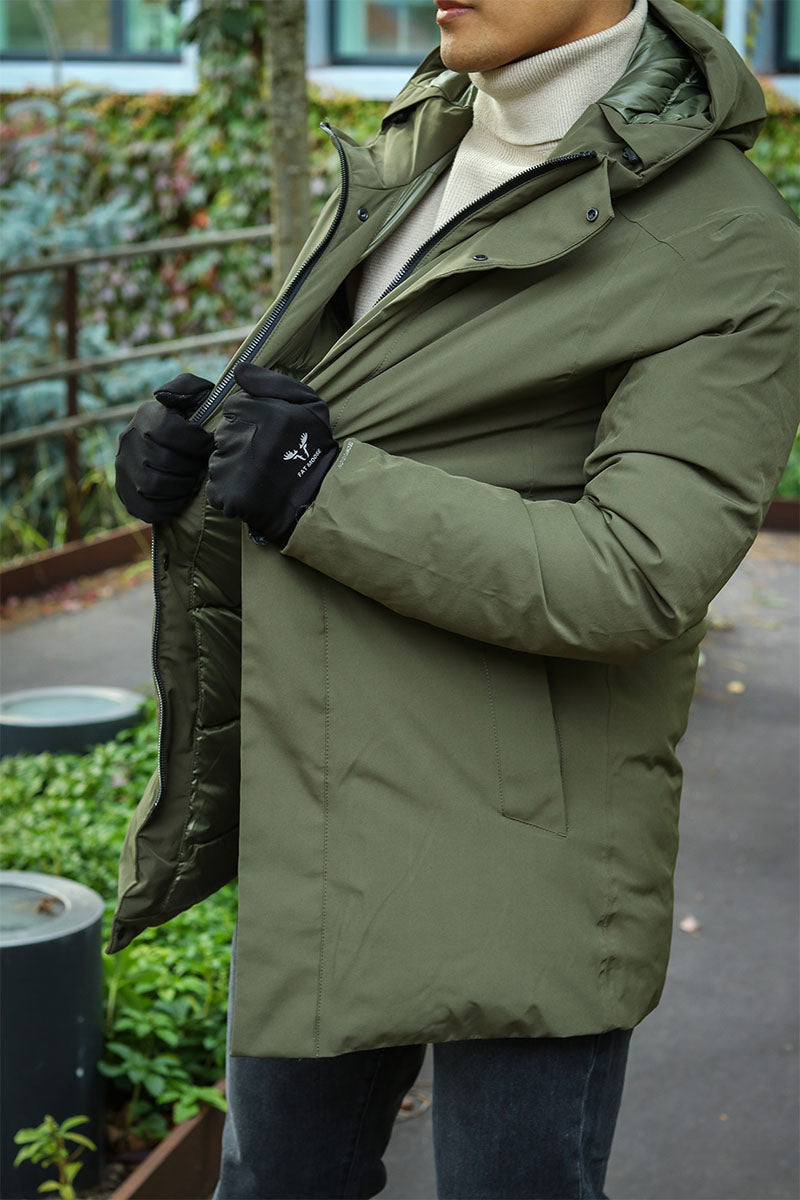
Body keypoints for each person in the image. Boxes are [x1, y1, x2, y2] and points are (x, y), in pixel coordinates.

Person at [110, 0, 799, 1195]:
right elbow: (357, 404)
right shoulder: (415, 143)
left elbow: (638, 571)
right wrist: (196, 465)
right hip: (329, 797)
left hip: (526, 846)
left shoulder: (724, 243)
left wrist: (318, 486)